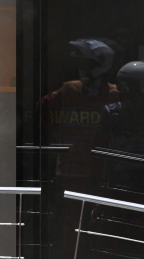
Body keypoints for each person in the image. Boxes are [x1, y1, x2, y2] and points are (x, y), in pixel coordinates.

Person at [35, 38, 120, 258]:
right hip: (71, 171)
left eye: (88, 64)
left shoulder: (114, 94)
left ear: (101, 66)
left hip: (100, 172)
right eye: (82, 64)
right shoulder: (69, 90)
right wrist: (55, 135)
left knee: (102, 224)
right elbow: (41, 110)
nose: (83, 69)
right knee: (72, 225)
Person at [90, 61, 144, 259]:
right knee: (112, 244)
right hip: (116, 188)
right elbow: (97, 152)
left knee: (143, 244)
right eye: (122, 86)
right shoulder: (110, 113)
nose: (123, 91)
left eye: (128, 86)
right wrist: (95, 186)